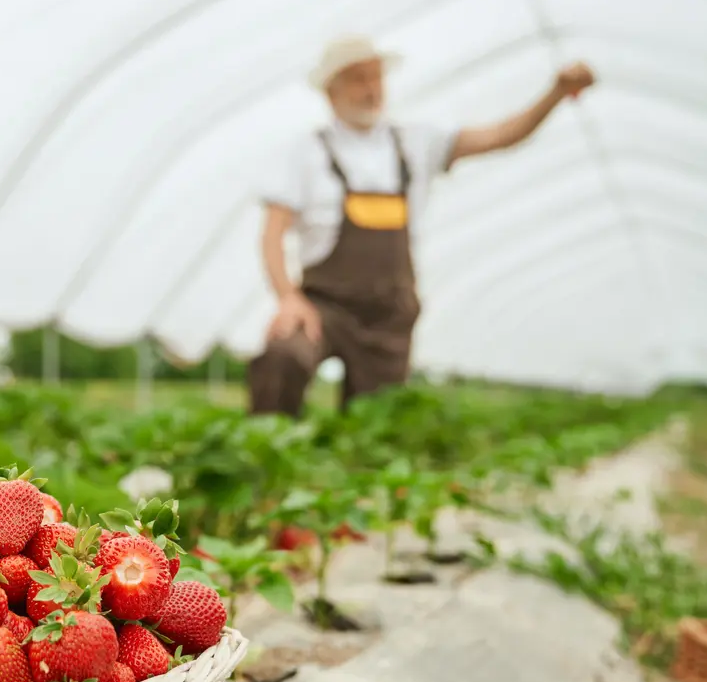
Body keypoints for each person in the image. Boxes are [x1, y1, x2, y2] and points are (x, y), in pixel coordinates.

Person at [248, 35, 595, 417]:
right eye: (358, 79)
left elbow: (499, 136)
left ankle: (354, 472)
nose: (371, 89)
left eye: (375, 78)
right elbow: (272, 235)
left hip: (389, 312)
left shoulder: (415, 142)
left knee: (377, 420)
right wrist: (288, 298)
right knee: (284, 355)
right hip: (324, 304)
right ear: (331, 92)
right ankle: (268, 451)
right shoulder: (306, 152)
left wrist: (556, 93)